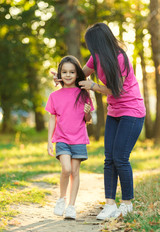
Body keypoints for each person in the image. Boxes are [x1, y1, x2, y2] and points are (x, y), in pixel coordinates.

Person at [78, 22, 146, 220]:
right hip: (114, 112)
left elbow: (115, 90)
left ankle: (127, 203)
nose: (90, 48)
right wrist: (61, 77)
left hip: (132, 112)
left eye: (91, 44)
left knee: (120, 158)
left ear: (98, 42)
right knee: (109, 159)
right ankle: (109, 204)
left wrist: (93, 86)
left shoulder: (120, 58)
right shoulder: (96, 58)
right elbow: (81, 74)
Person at [45, 55, 94, 220]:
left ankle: (71, 206)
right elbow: (52, 118)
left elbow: (88, 120)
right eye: (64, 72)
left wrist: (87, 112)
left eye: (71, 72)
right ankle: (61, 199)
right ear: (60, 74)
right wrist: (49, 141)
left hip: (79, 139)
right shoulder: (54, 96)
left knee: (75, 171)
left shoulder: (83, 94)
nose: (68, 75)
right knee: (66, 169)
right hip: (62, 139)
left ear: (77, 73)